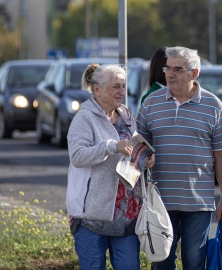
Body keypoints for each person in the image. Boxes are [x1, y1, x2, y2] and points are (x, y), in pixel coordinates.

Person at [136, 46, 222, 270]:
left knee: (195, 263)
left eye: (177, 69)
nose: (170, 74)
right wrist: (143, 157)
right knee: (161, 263)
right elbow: (137, 147)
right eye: (168, 68)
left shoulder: (213, 105)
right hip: (160, 201)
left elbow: (221, 154)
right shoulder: (150, 103)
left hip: (198, 203)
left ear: (194, 73)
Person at [66, 63, 155, 270]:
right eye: (116, 86)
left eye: (123, 86)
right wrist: (111, 146)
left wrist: (145, 159)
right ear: (97, 89)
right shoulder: (84, 118)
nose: (121, 92)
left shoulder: (125, 115)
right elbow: (77, 156)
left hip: (127, 217)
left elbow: (131, 150)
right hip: (92, 218)